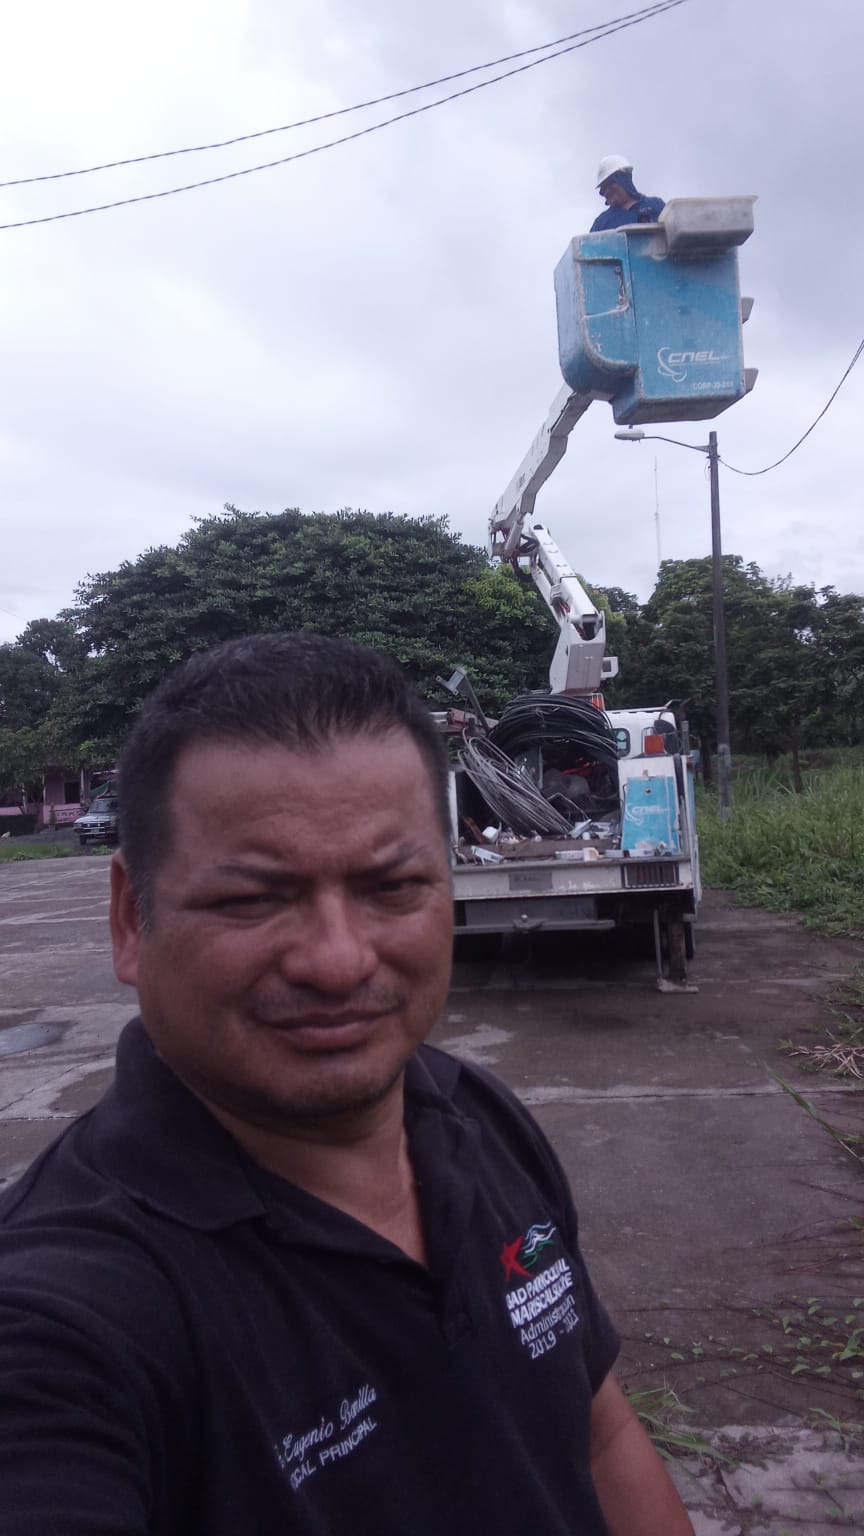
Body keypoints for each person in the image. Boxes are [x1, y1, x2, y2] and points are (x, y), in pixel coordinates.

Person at [0, 632, 693, 1536]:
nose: (336, 961)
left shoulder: (474, 1117)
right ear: (133, 919)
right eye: (251, 899)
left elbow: (598, 1438)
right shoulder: (65, 1319)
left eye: (392, 886)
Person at [591, 153, 666, 232]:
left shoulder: (656, 205)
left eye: (610, 183)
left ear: (623, 179)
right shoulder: (601, 223)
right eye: (603, 189)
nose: (607, 191)